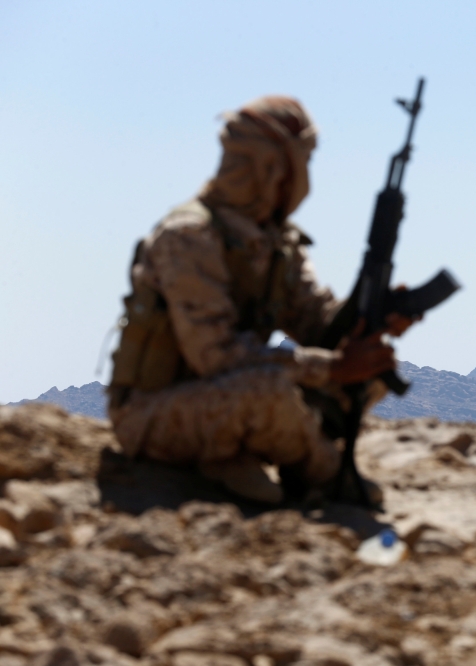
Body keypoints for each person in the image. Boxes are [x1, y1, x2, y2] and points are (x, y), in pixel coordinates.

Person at [106, 96, 412, 504]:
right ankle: (324, 471)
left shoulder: (276, 243)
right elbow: (217, 357)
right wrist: (332, 367)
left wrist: (370, 319)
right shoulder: (188, 237)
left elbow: (316, 320)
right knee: (269, 390)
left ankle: (237, 458)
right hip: (152, 413)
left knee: (371, 367)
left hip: (224, 399)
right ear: (272, 167)